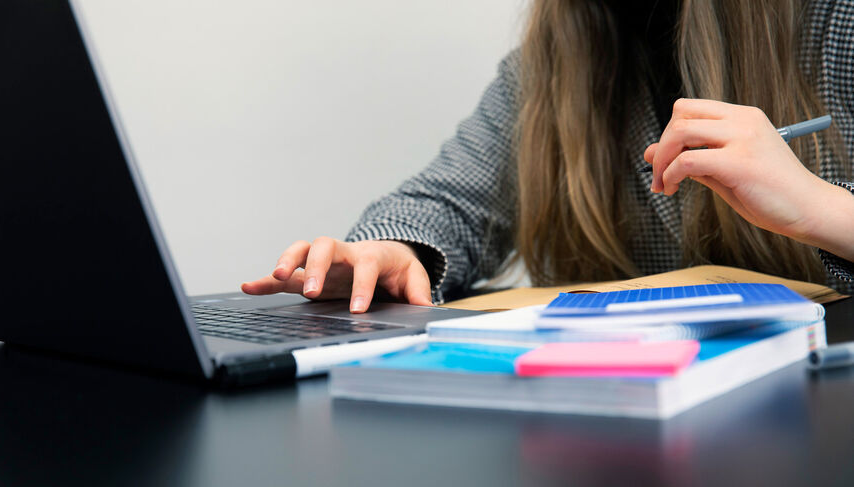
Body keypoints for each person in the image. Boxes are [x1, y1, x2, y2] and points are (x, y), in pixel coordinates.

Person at [242, 0, 854, 312]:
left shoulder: (836, 24)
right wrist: (396, 251)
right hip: (615, 448)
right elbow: (447, 201)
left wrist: (819, 208)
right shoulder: (549, 67)